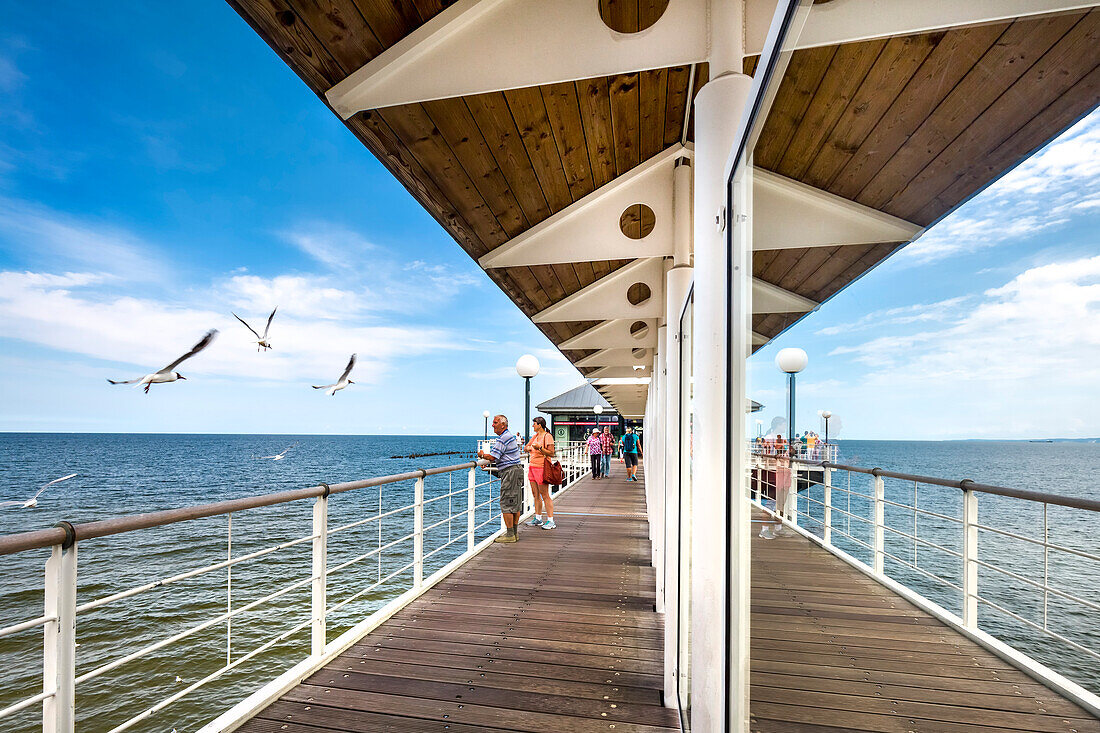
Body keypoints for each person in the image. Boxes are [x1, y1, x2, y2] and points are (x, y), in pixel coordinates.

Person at [476, 414, 523, 543]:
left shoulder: (503, 438)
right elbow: (500, 457)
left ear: (503, 425)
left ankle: (510, 535)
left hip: (510, 473)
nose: (492, 425)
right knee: (515, 502)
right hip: (516, 470)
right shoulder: (509, 436)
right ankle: (514, 533)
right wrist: (489, 460)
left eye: (495, 422)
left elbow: (493, 456)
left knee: (506, 503)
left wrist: (482, 455)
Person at [525, 416, 557, 529]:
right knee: (535, 494)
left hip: (542, 468)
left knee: (545, 495)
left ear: (539, 425)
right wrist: (529, 448)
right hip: (532, 467)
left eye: (534, 424)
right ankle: (538, 518)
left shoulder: (547, 436)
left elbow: (552, 453)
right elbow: (526, 447)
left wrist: (539, 448)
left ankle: (551, 521)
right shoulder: (535, 436)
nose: (533, 426)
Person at [760, 447, 794, 539]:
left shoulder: (787, 451)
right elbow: (765, 459)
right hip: (775, 480)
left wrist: (790, 453)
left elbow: (791, 456)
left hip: (785, 479)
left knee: (781, 505)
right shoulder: (772, 451)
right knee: (770, 504)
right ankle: (764, 530)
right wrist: (775, 457)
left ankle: (778, 528)